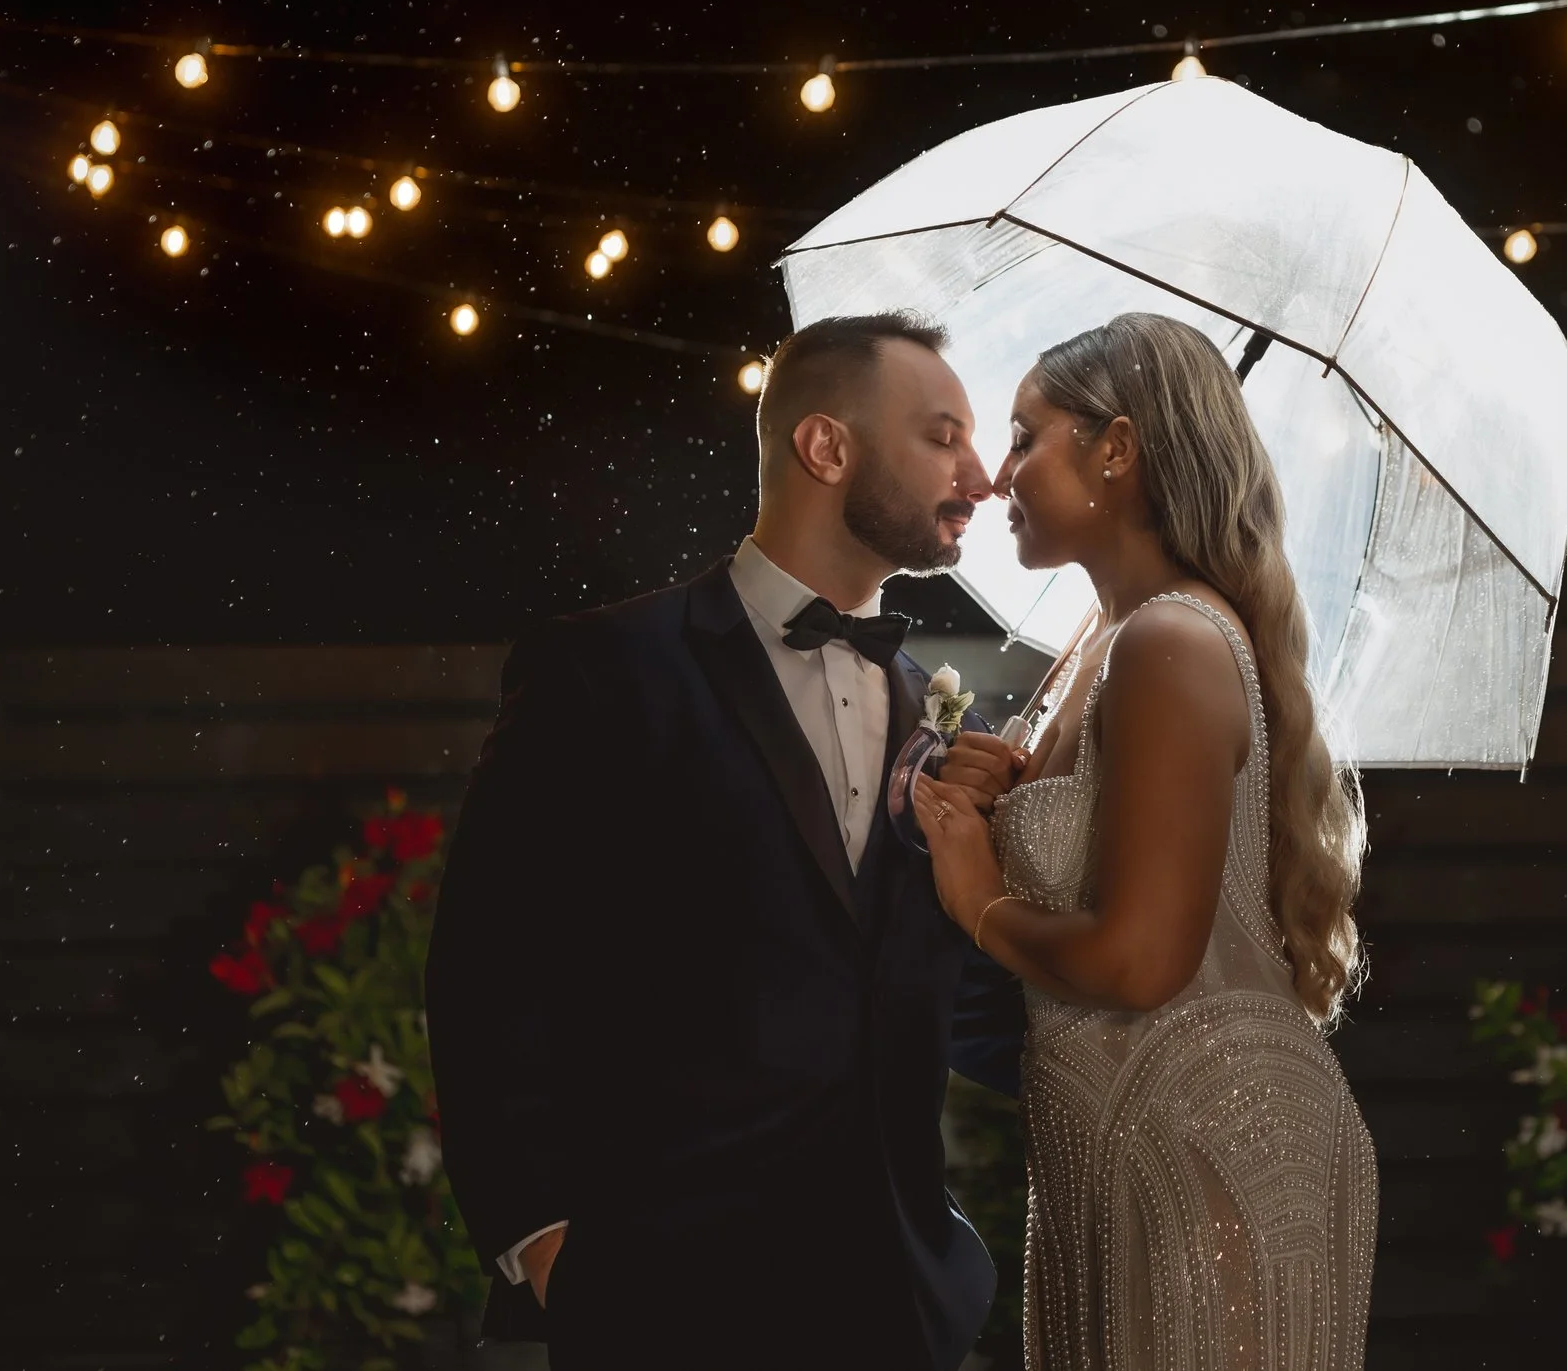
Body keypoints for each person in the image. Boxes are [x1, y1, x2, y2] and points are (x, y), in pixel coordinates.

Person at [424, 312, 1026, 1371]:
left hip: (893, 1307)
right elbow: (487, 963)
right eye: (944, 437)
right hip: (661, 1299)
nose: (982, 477)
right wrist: (547, 1244)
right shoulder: (605, 670)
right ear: (825, 446)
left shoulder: (941, 729)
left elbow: (953, 1006)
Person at [916, 311, 1379, 1371]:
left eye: (1026, 437)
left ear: (1116, 448)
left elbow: (1138, 958)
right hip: (1115, 1138)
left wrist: (979, 898)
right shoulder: (1104, 636)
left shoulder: (1171, 638)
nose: (998, 474)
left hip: (1210, 1149)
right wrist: (1002, 802)